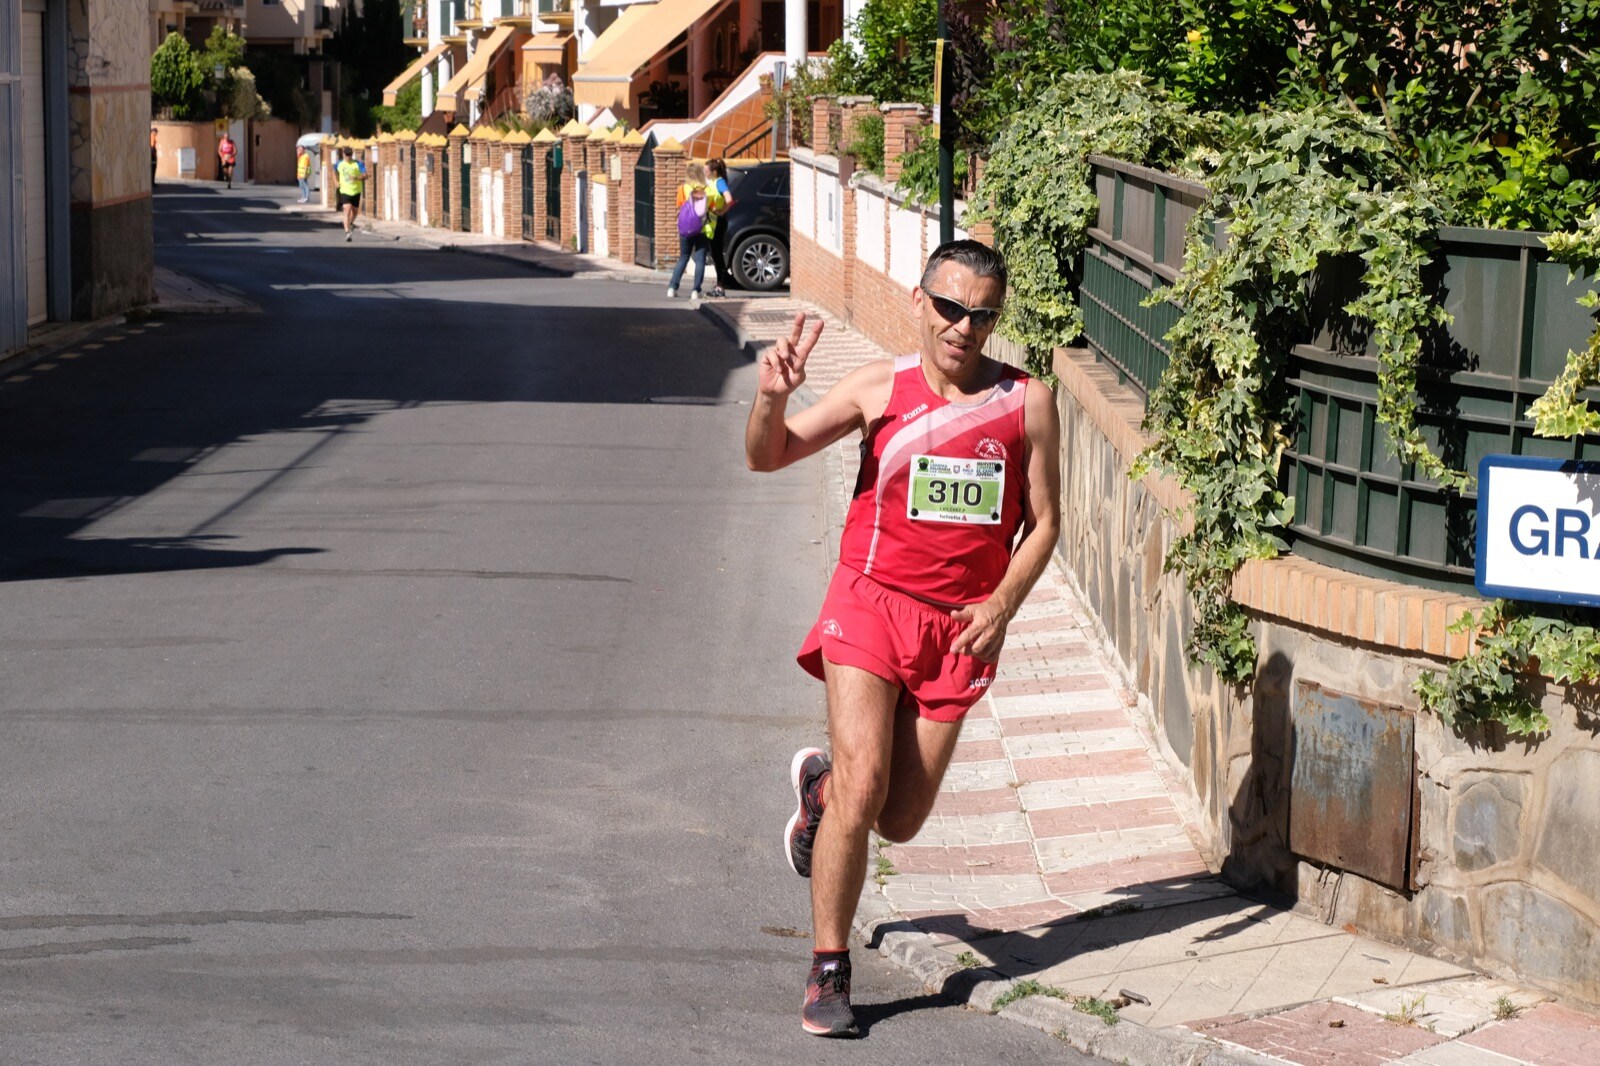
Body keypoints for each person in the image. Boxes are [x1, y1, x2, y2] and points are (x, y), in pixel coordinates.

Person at [744, 240, 1061, 1038]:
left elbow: (1047, 522)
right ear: (919, 302)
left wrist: (1003, 604)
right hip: (871, 602)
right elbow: (768, 456)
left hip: (958, 630)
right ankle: (828, 967)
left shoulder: (1028, 402)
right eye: (950, 308)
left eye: (983, 314)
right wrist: (770, 399)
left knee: (901, 817)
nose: (964, 327)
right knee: (866, 780)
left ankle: (819, 796)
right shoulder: (878, 387)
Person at [666, 162, 721, 300]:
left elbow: (679, 206)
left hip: (686, 228)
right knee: (700, 259)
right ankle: (696, 291)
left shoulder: (683, 189)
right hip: (702, 229)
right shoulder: (708, 190)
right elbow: (713, 209)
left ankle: (672, 288)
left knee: (684, 257)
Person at [706, 158, 735, 297]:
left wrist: (722, 211)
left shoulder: (720, 182)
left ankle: (720, 287)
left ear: (714, 172)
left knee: (717, 255)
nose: (705, 173)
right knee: (715, 254)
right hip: (713, 223)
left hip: (718, 223)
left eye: (706, 171)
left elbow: (729, 199)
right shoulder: (713, 182)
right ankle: (721, 283)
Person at [335, 146, 366, 242]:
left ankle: (351, 223)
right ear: (343, 154)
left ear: (352, 155)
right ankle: (347, 233)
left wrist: (356, 178)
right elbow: (334, 171)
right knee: (347, 209)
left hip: (356, 190)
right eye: (346, 155)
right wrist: (336, 181)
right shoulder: (339, 164)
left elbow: (365, 175)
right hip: (344, 191)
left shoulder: (358, 164)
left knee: (355, 211)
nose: (348, 157)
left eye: (349, 155)